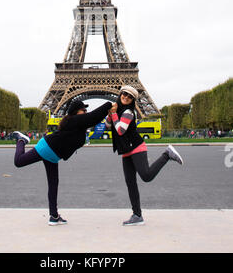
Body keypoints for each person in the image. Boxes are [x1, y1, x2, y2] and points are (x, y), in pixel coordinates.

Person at [13, 99, 113, 226]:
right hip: (47, 148)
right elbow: (93, 117)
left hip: (53, 155)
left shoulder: (78, 124)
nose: (85, 112)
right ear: (76, 111)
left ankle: (54, 216)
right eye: (83, 110)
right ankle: (22, 140)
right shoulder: (74, 120)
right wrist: (109, 105)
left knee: (53, 185)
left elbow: (94, 120)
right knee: (18, 161)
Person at [105, 85, 183, 226]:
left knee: (146, 176)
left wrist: (114, 114)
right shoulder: (118, 109)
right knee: (130, 183)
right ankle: (137, 215)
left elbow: (121, 130)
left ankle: (167, 154)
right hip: (126, 150)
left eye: (130, 96)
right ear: (120, 93)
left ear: (133, 100)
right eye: (124, 94)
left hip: (136, 147)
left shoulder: (129, 112)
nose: (126, 97)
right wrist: (110, 114)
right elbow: (108, 126)